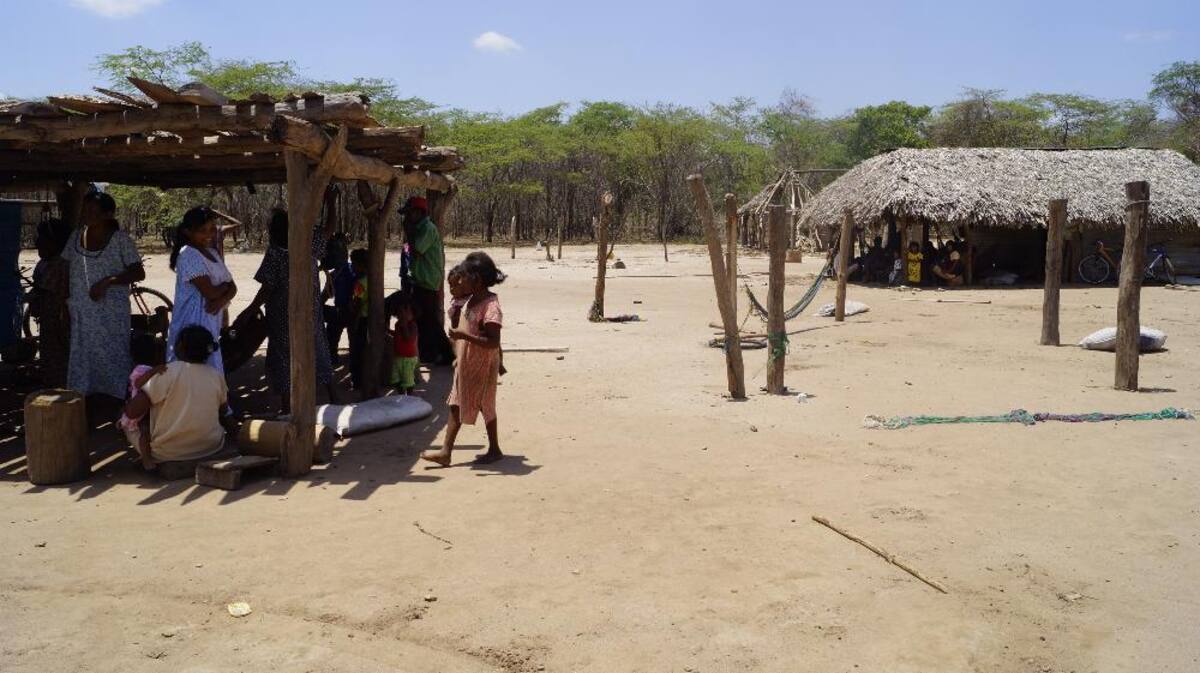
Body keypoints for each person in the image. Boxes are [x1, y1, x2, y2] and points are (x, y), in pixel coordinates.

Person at [246, 209, 339, 415]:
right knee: (319, 350)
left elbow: (267, 288)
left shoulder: (276, 253)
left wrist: (249, 310)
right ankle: (334, 398)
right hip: (310, 312)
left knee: (283, 358)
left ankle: (288, 409)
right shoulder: (308, 246)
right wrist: (331, 202)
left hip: (282, 315)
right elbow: (329, 229)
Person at [421, 252, 505, 467]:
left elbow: (493, 341)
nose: (459, 280)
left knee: (486, 406)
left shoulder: (490, 306)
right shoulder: (471, 300)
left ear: (476, 279)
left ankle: (494, 449)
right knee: (456, 403)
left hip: (483, 365)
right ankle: (446, 452)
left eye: (464, 276)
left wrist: (463, 336)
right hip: (467, 363)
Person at [63, 190, 145, 399]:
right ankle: (83, 394)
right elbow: (66, 268)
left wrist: (108, 281)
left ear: (108, 215)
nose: (87, 214)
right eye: (85, 209)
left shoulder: (120, 240)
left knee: (114, 353)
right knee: (83, 353)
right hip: (82, 310)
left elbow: (138, 272)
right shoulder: (76, 237)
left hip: (111, 312)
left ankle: (118, 395)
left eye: (93, 211)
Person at [121, 326, 229, 467]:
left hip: (168, 452)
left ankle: (148, 460)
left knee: (125, 420)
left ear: (181, 347)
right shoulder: (216, 375)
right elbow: (223, 410)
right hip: (210, 446)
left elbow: (132, 411)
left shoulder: (166, 372)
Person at [166, 206, 236, 373]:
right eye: (202, 231)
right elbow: (210, 292)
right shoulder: (189, 254)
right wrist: (225, 288)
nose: (209, 235)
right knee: (190, 372)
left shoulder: (212, 252)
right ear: (188, 232)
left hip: (210, 322)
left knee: (208, 370)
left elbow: (233, 288)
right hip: (191, 325)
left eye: (211, 229)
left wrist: (220, 300)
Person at [401, 196, 453, 365]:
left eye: (409, 214)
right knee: (423, 319)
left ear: (418, 213)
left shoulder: (427, 229)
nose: (407, 218)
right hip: (421, 280)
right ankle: (430, 353)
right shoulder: (420, 228)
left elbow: (417, 250)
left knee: (430, 320)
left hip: (427, 281)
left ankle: (447, 354)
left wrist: (408, 232)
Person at [31, 218, 71, 386]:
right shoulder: (46, 262)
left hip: (59, 320)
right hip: (49, 319)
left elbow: (45, 290)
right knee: (49, 354)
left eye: (42, 239)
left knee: (58, 356)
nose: (37, 243)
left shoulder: (60, 264)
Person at [320, 232, 354, 365]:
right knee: (332, 333)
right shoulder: (335, 274)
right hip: (340, 311)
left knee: (333, 329)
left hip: (349, 311)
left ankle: (331, 357)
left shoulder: (351, 272)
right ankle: (330, 357)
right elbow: (325, 295)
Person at [388, 292, 419, 394]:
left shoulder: (412, 325)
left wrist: (405, 325)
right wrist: (388, 331)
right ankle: (400, 394)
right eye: (400, 312)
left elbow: (409, 339)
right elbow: (398, 336)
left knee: (408, 381)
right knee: (396, 379)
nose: (402, 315)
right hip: (398, 356)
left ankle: (409, 396)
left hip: (409, 358)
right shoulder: (397, 324)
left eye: (406, 311)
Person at [348, 248, 370, 390]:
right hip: (368, 319)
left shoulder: (360, 284)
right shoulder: (371, 279)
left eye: (354, 264)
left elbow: (357, 304)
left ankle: (357, 381)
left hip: (361, 320)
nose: (352, 267)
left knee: (356, 352)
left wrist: (353, 323)